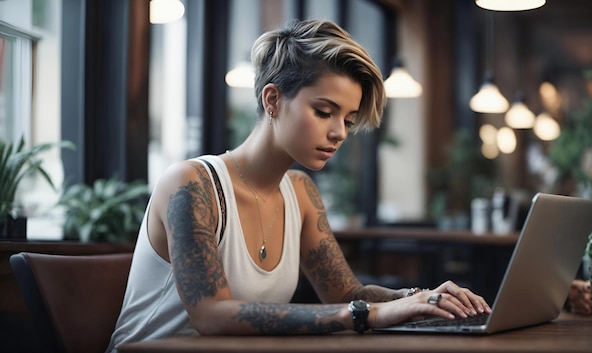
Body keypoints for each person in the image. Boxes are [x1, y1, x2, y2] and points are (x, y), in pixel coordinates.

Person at [106, 18, 490, 352]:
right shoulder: (192, 184)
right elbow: (211, 314)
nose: (339, 132)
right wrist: (368, 314)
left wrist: (421, 299)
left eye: (349, 119)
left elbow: (347, 296)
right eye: (324, 112)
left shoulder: (300, 192)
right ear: (272, 99)